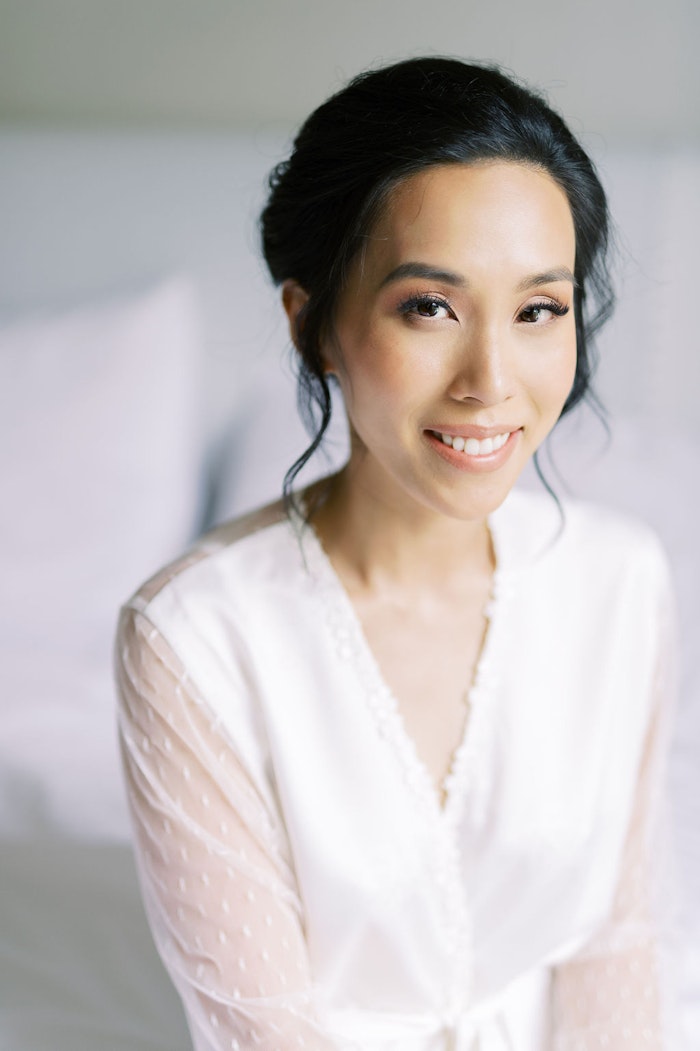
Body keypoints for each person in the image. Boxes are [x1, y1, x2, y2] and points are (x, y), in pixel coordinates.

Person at [115, 57, 677, 1050]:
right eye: (430, 306)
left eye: (538, 309)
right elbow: (264, 1032)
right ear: (312, 324)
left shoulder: (619, 582)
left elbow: (612, 945)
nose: (491, 380)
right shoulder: (192, 639)